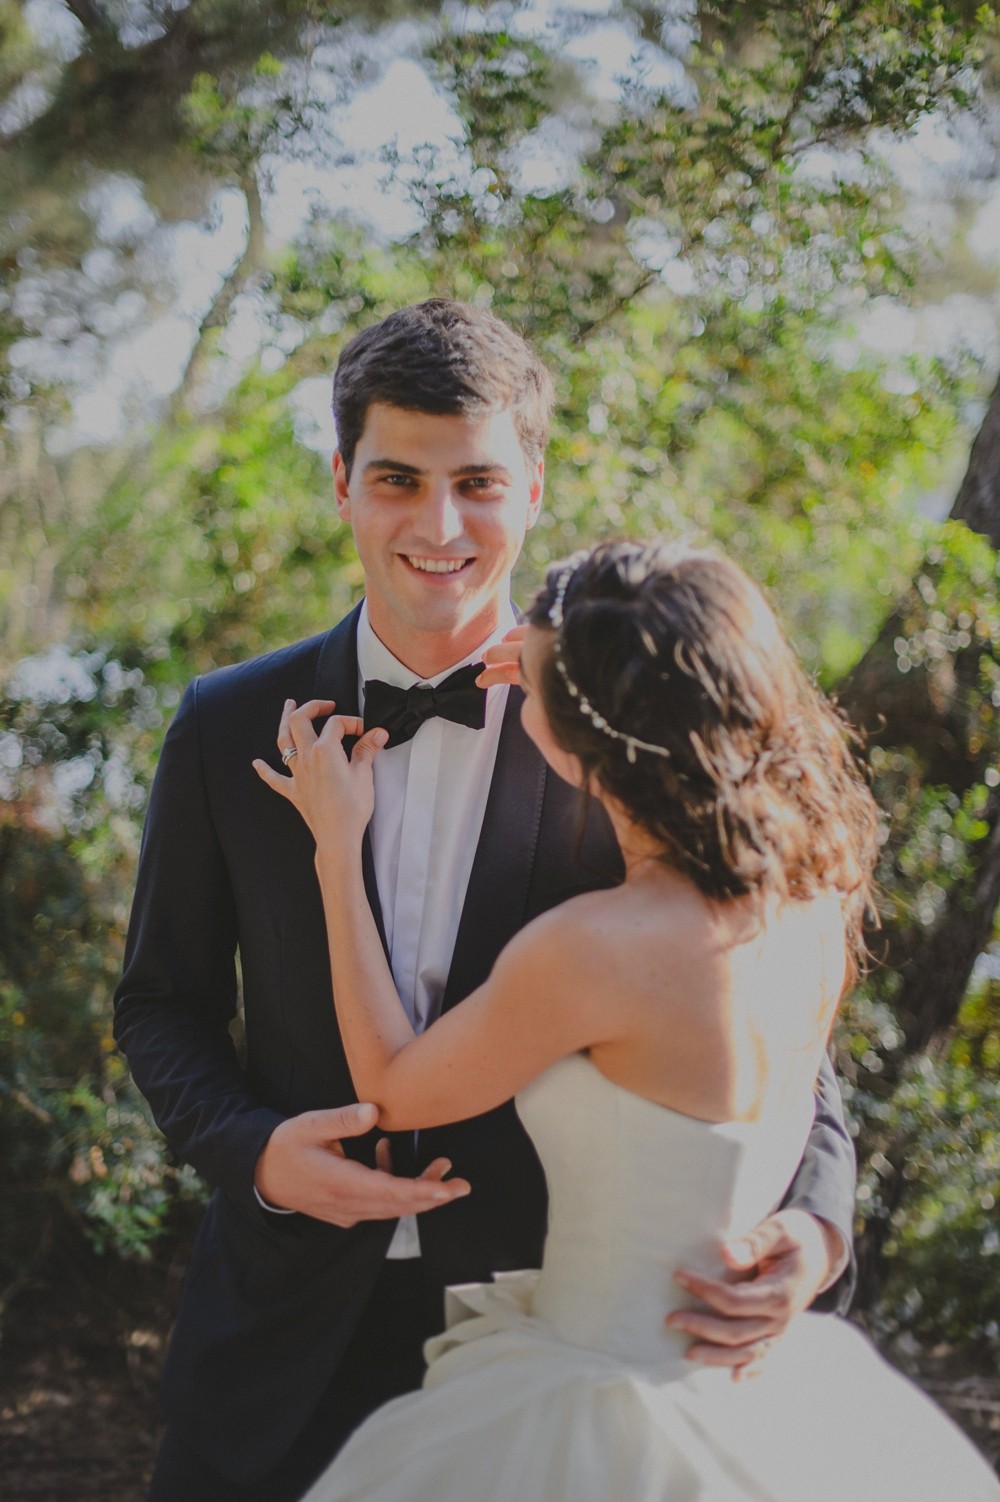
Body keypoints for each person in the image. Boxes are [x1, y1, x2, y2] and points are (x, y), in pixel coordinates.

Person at [115, 301, 856, 1502]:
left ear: (535, 485)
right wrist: (253, 1152)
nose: (440, 525)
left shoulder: (623, 736)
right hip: (277, 1338)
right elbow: (160, 1003)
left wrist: (813, 1230)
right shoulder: (222, 726)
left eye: (479, 482)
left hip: (555, 1348)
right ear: (343, 479)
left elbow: (780, 1021)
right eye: (399, 478)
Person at [257, 539, 1000, 1502]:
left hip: (591, 1403)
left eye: (537, 693)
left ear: (577, 738)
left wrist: (335, 847)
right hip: (753, 1390)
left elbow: (395, 1091)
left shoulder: (595, 949)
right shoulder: (820, 894)